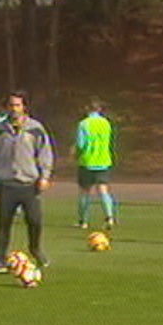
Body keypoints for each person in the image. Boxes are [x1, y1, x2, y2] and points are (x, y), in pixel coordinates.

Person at [0, 91, 54, 273]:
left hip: (29, 183)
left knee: (35, 221)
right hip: (7, 183)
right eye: (11, 105)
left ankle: (36, 250)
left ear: (24, 107)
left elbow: (44, 153)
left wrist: (45, 175)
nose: (14, 109)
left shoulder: (35, 128)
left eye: (17, 105)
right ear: (6, 108)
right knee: (3, 223)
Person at [72, 98, 116, 230]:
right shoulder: (106, 123)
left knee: (85, 192)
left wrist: (75, 155)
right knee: (103, 190)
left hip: (87, 161)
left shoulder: (84, 124)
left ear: (87, 109)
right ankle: (109, 217)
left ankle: (83, 221)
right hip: (103, 160)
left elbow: (81, 144)